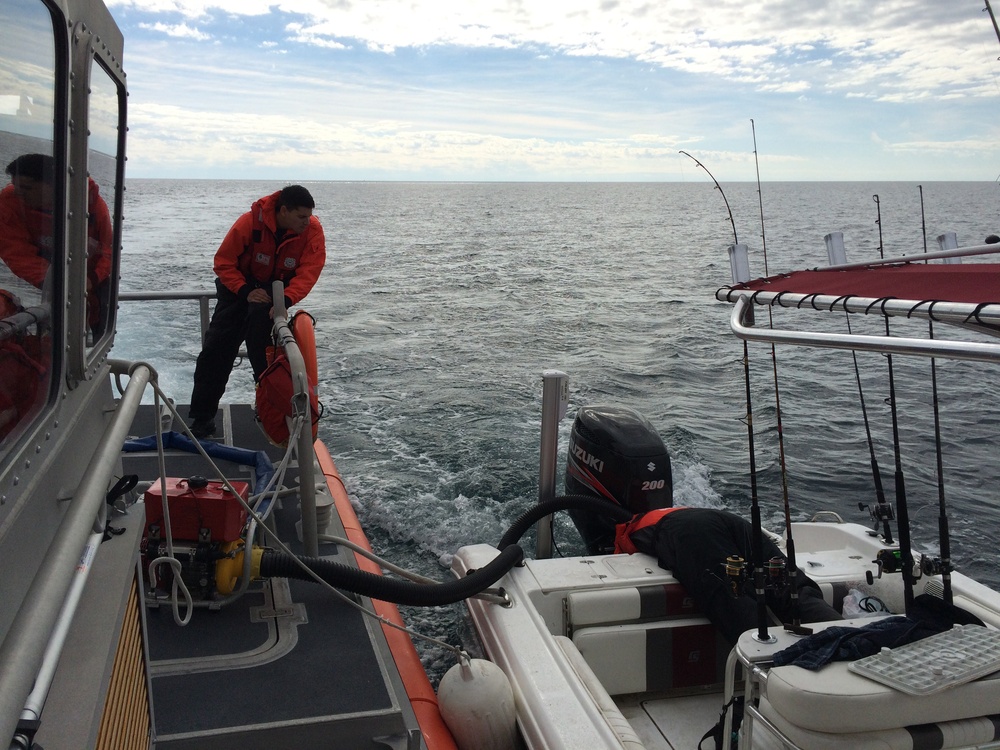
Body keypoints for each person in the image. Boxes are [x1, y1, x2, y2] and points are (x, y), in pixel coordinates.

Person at [188, 185, 326, 439]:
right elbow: (224, 262)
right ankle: (202, 419)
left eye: (309, 216)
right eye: (301, 217)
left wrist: (285, 299)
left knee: (267, 361)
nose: (308, 222)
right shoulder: (249, 222)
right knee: (215, 353)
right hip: (238, 292)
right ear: (284, 210)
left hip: (273, 299)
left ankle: (272, 418)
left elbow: (309, 272)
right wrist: (244, 291)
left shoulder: (312, 232)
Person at [614, 506, 842, 646]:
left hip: (689, 531)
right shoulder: (677, 509)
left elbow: (621, 559)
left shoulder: (630, 528)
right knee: (786, 583)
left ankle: (777, 669)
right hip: (731, 521)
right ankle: (846, 633)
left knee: (734, 597)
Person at [0, 153, 113, 333]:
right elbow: (15, 251)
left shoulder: (91, 204)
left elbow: (108, 250)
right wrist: (56, 283)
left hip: (93, 280)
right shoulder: (9, 201)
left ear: (53, 185)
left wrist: (92, 279)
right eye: (16, 188)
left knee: (99, 328)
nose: (20, 194)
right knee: (52, 336)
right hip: (47, 278)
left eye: (27, 188)